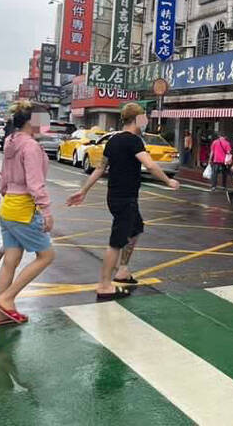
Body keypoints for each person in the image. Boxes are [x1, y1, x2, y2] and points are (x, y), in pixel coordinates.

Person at [67, 103, 179, 301]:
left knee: (136, 229)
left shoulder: (113, 140)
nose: (145, 122)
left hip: (116, 196)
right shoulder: (134, 141)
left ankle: (123, 271)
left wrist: (84, 191)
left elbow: (100, 168)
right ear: (136, 119)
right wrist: (168, 180)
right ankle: (104, 284)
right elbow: (150, 165)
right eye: (143, 118)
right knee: (116, 242)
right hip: (125, 199)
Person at [0, 101, 55, 326]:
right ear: (32, 122)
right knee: (47, 256)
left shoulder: (11, 141)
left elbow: (5, 177)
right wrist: (46, 211)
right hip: (23, 209)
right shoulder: (30, 147)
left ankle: (0, 314)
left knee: (11, 260)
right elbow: (36, 184)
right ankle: (6, 299)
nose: (47, 125)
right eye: (44, 120)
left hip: (8, 207)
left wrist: (4, 193)